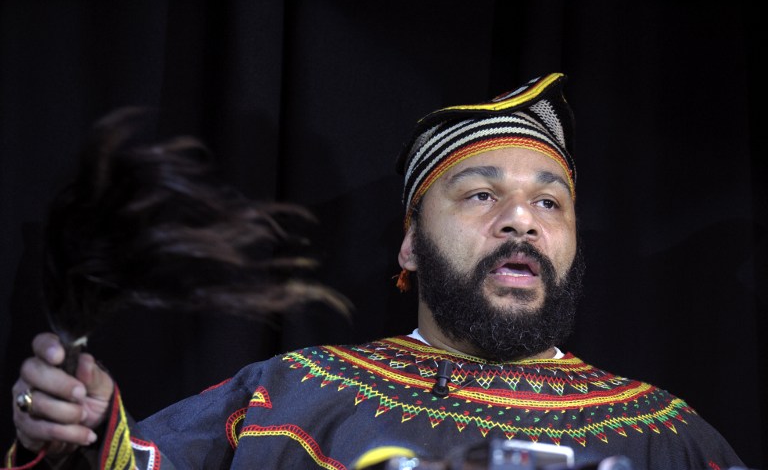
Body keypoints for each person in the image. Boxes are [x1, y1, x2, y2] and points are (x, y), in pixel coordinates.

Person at [5, 73, 746, 470]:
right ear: (410, 246)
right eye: (481, 194)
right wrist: (72, 437)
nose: (521, 220)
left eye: (549, 202)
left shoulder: (668, 435)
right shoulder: (287, 396)